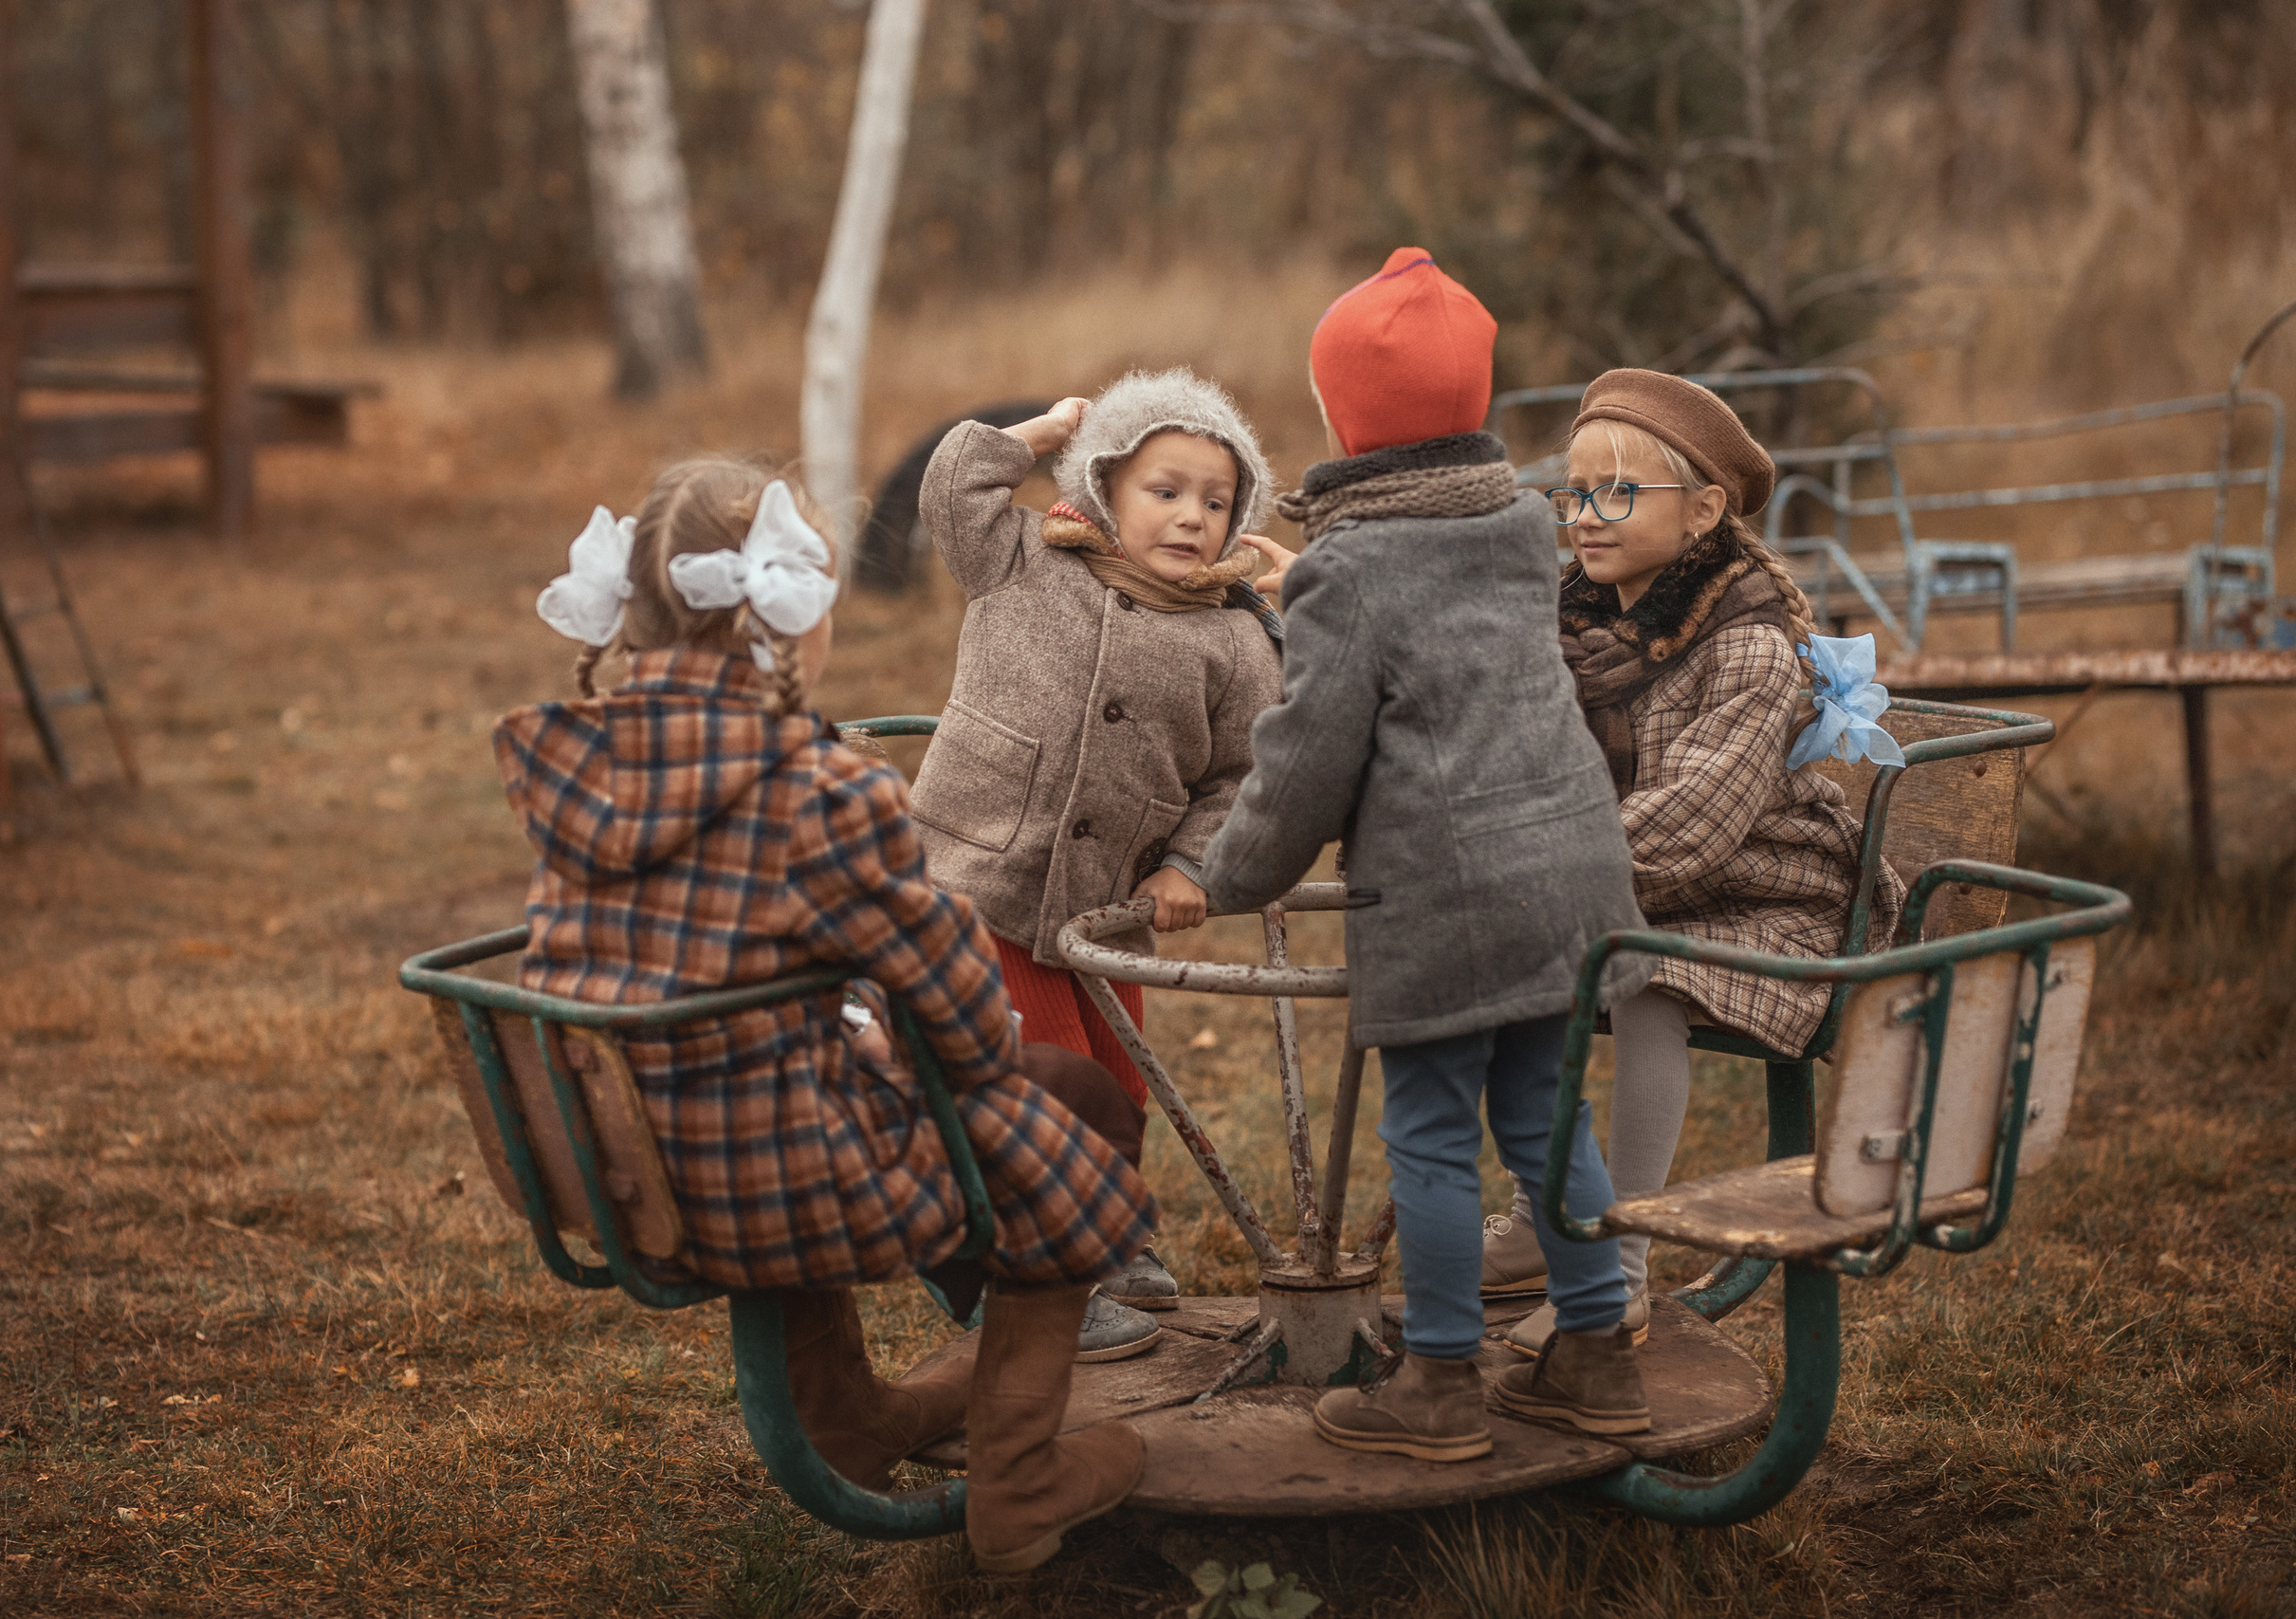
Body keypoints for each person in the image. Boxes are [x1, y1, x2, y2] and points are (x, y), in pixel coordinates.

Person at [498, 456, 1154, 1572]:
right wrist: (934, 1038)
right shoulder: (817, 786)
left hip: (611, 1157)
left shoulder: (579, 762)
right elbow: (954, 1006)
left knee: (807, 1076)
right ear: (789, 623)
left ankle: (849, 1416)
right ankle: (1021, 1481)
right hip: (768, 1168)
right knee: (1077, 1106)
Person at [1196, 248, 1658, 1457]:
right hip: (1570, 869)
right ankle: (1598, 1354)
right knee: (1550, 1116)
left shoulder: (1351, 566)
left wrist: (1228, 874)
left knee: (1434, 1136)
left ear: (1347, 418)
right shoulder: (1513, 524)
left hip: (1454, 897)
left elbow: (1305, 759)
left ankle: (1441, 1383)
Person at [1489, 370, 1907, 1357]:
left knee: (1642, 981)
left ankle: (1621, 1269)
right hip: (1634, 890)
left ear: (1705, 511)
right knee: (1505, 960)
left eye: (1619, 493)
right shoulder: (1576, 628)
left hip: (1772, 902)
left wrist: (1542, 867)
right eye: (1574, 494)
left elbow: (1691, 826)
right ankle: (1543, 1224)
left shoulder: (1752, 648)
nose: (1586, 517)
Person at [909, 368, 1287, 1329]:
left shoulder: (1235, 638)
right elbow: (952, 484)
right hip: (980, 878)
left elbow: (1240, 775)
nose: (1191, 517)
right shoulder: (1026, 559)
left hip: (1107, 904)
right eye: (1165, 491)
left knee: (1119, 1081)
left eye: (1215, 500)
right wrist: (1033, 433)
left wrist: (1188, 862)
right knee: (1042, 1075)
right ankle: (1036, 1278)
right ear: (1104, 488)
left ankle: (1108, 1237)